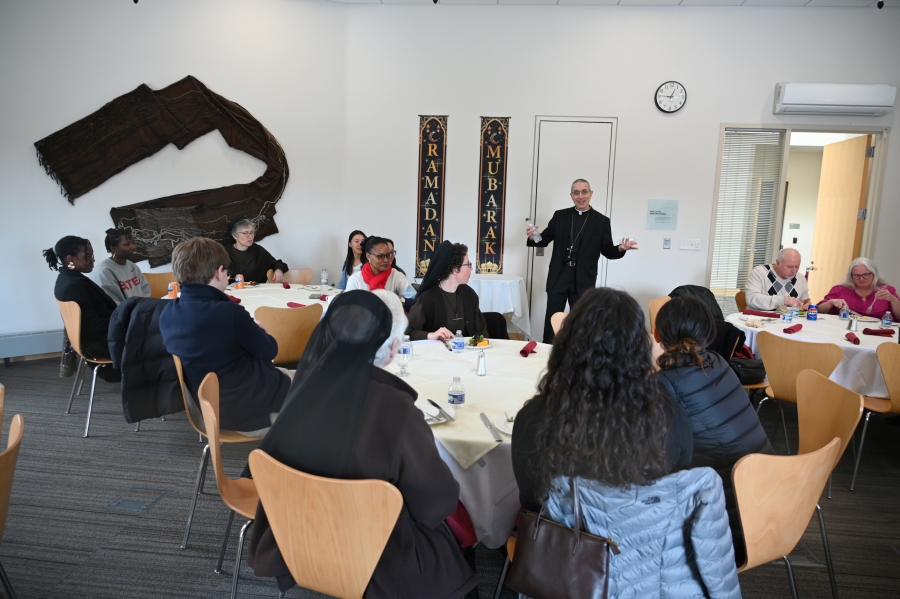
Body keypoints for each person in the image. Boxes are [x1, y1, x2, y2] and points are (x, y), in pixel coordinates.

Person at [246, 290, 479, 599]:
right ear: (394, 348)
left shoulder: (302, 389)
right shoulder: (396, 410)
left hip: (297, 537)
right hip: (373, 556)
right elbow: (436, 505)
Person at [511, 288, 740, 599]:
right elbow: (674, 487)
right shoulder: (670, 416)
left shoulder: (534, 418)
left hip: (568, 572)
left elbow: (532, 502)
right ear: (640, 348)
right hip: (653, 574)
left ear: (566, 345)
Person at [653, 296, 773, 565]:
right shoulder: (718, 361)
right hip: (770, 503)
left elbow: (659, 457)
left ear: (657, 333)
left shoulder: (664, 383)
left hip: (725, 529)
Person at [160, 237, 290, 436]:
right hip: (248, 412)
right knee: (322, 391)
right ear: (219, 272)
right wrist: (262, 331)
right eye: (227, 272)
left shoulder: (168, 313)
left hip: (208, 410)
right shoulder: (228, 313)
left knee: (300, 377)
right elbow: (269, 350)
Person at [526, 178, 636, 343]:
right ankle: (548, 350)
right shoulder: (560, 216)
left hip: (583, 279)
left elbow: (607, 250)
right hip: (559, 276)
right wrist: (533, 236)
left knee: (582, 322)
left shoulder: (601, 221)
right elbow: (544, 240)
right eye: (576, 193)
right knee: (552, 319)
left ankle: (578, 353)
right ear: (571, 195)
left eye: (584, 192)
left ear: (591, 194)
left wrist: (621, 248)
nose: (580, 196)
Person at [43, 236, 118, 367]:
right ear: (70, 259)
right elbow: (93, 326)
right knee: (154, 337)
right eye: (88, 256)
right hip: (102, 344)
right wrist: (126, 320)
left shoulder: (66, 279)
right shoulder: (73, 286)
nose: (93, 259)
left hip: (96, 341)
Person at [406, 241, 487, 341]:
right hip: (436, 350)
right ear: (455, 269)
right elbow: (408, 333)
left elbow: (481, 332)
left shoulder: (469, 294)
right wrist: (430, 335)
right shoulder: (426, 299)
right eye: (468, 264)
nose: (471, 268)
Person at [818, 257, 900, 319]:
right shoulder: (839, 290)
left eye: (866, 275)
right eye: (857, 275)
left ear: (874, 274)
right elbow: (818, 311)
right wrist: (830, 303)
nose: (861, 279)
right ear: (851, 276)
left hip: (878, 332)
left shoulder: (887, 290)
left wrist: (893, 300)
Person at [345, 236, 416, 300]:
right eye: (380, 256)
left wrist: (399, 300)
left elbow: (415, 301)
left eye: (388, 255)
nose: (386, 260)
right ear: (368, 256)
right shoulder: (355, 280)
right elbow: (348, 306)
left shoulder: (396, 276)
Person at [221, 218, 288, 284]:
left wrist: (278, 269)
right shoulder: (224, 252)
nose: (250, 236)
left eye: (252, 232)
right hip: (231, 289)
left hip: (256, 289)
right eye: (245, 233)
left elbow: (277, 263)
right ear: (235, 236)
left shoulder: (258, 250)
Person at [94, 228, 151, 305]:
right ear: (113, 248)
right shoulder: (104, 271)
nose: (133, 247)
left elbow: (145, 290)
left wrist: (146, 307)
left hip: (142, 309)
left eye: (133, 243)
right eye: (127, 244)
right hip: (125, 312)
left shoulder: (132, 265)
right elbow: (112, 303)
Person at [743, 248, 810, 311]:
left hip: (787, 319)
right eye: (790, 267)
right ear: (778, 263)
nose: (794, 271)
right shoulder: (760, 272)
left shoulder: (800, 278)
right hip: (757, 317)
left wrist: (807, 305)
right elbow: (751, 299)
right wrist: (783, 300)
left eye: (797, 266)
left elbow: (804, 301)